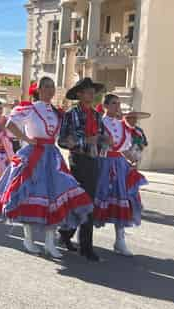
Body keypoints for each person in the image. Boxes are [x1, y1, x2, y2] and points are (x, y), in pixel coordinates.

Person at [0, 77, 94, 258]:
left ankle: (50, 242)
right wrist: (27, 139)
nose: (50, 90)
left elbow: (63, 134)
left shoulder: (56, 112)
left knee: (54, 196)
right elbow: (9, 123)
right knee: (30, 195)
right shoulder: (29, 108)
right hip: (33, 155)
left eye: (52, 86)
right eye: (46, 86)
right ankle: (28, 239)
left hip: (52, 156)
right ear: (38, 89)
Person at [57, 77, 106, 262]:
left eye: (93, 90)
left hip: (94, 160)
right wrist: (85, 141)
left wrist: (104, 141)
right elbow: (62, 140)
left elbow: (101, 137)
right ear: (79, 94)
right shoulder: (70, 114)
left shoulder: (96, 115)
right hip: (78, 161)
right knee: (78, 201)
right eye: (87, 90)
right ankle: (67, 234)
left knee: (89, 203)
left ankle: (84, 245)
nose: (91, 93)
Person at [94, 94, 148, 256]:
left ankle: (120, 240)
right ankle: (79, 234)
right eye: (113, 103)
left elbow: (124, 147)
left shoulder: (121, 125)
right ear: (105, 106)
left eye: (118, 103)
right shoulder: (99, 123)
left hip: (120, 164)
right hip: (103, 164)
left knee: (122, 198)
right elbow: (95, 144)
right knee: (97, 196)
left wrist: (132, 160)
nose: (117, 106)